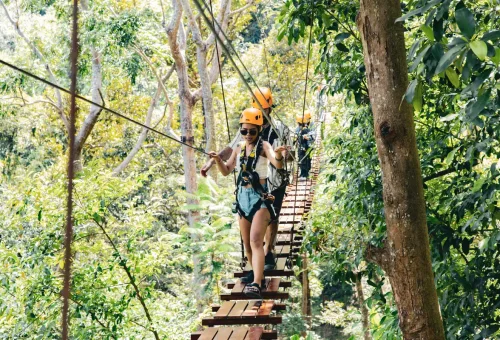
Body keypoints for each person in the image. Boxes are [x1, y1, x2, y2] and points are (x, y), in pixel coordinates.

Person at [201, 87, 292, 272]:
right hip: (254, 184)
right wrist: (212, 161)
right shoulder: (247, 128)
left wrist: (283, 155)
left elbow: (288, 155)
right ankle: (258, 261)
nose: (260, 112)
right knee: (254, 225)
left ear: (270, 109)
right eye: (257, 108)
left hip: (275, 179)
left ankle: (269, 250)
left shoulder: (280, 129)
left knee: (273, 218)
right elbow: (231, 148)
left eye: (263, 109)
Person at [208, 107, 287, 299]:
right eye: (244, 131)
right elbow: (227, 171)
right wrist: (218, 160)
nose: (248, 135)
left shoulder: (264, 146)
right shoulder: (240, 148)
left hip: (260, 197)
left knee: (255, 241)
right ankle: (255, 274)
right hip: (243, 199)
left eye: (252, 131)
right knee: (248, 245)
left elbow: (277, 164)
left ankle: (256, 283)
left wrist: (278, 155)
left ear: (259, 130)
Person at [295, 111, 315, 180]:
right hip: (301, 147)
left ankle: (305, 174)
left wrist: (307, 137)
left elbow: (312, 137)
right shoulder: (298, 129)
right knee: (301, 160)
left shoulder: (308, 129)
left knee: (306, 160)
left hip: (307, 147)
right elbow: (296, 136)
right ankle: (303, 173)